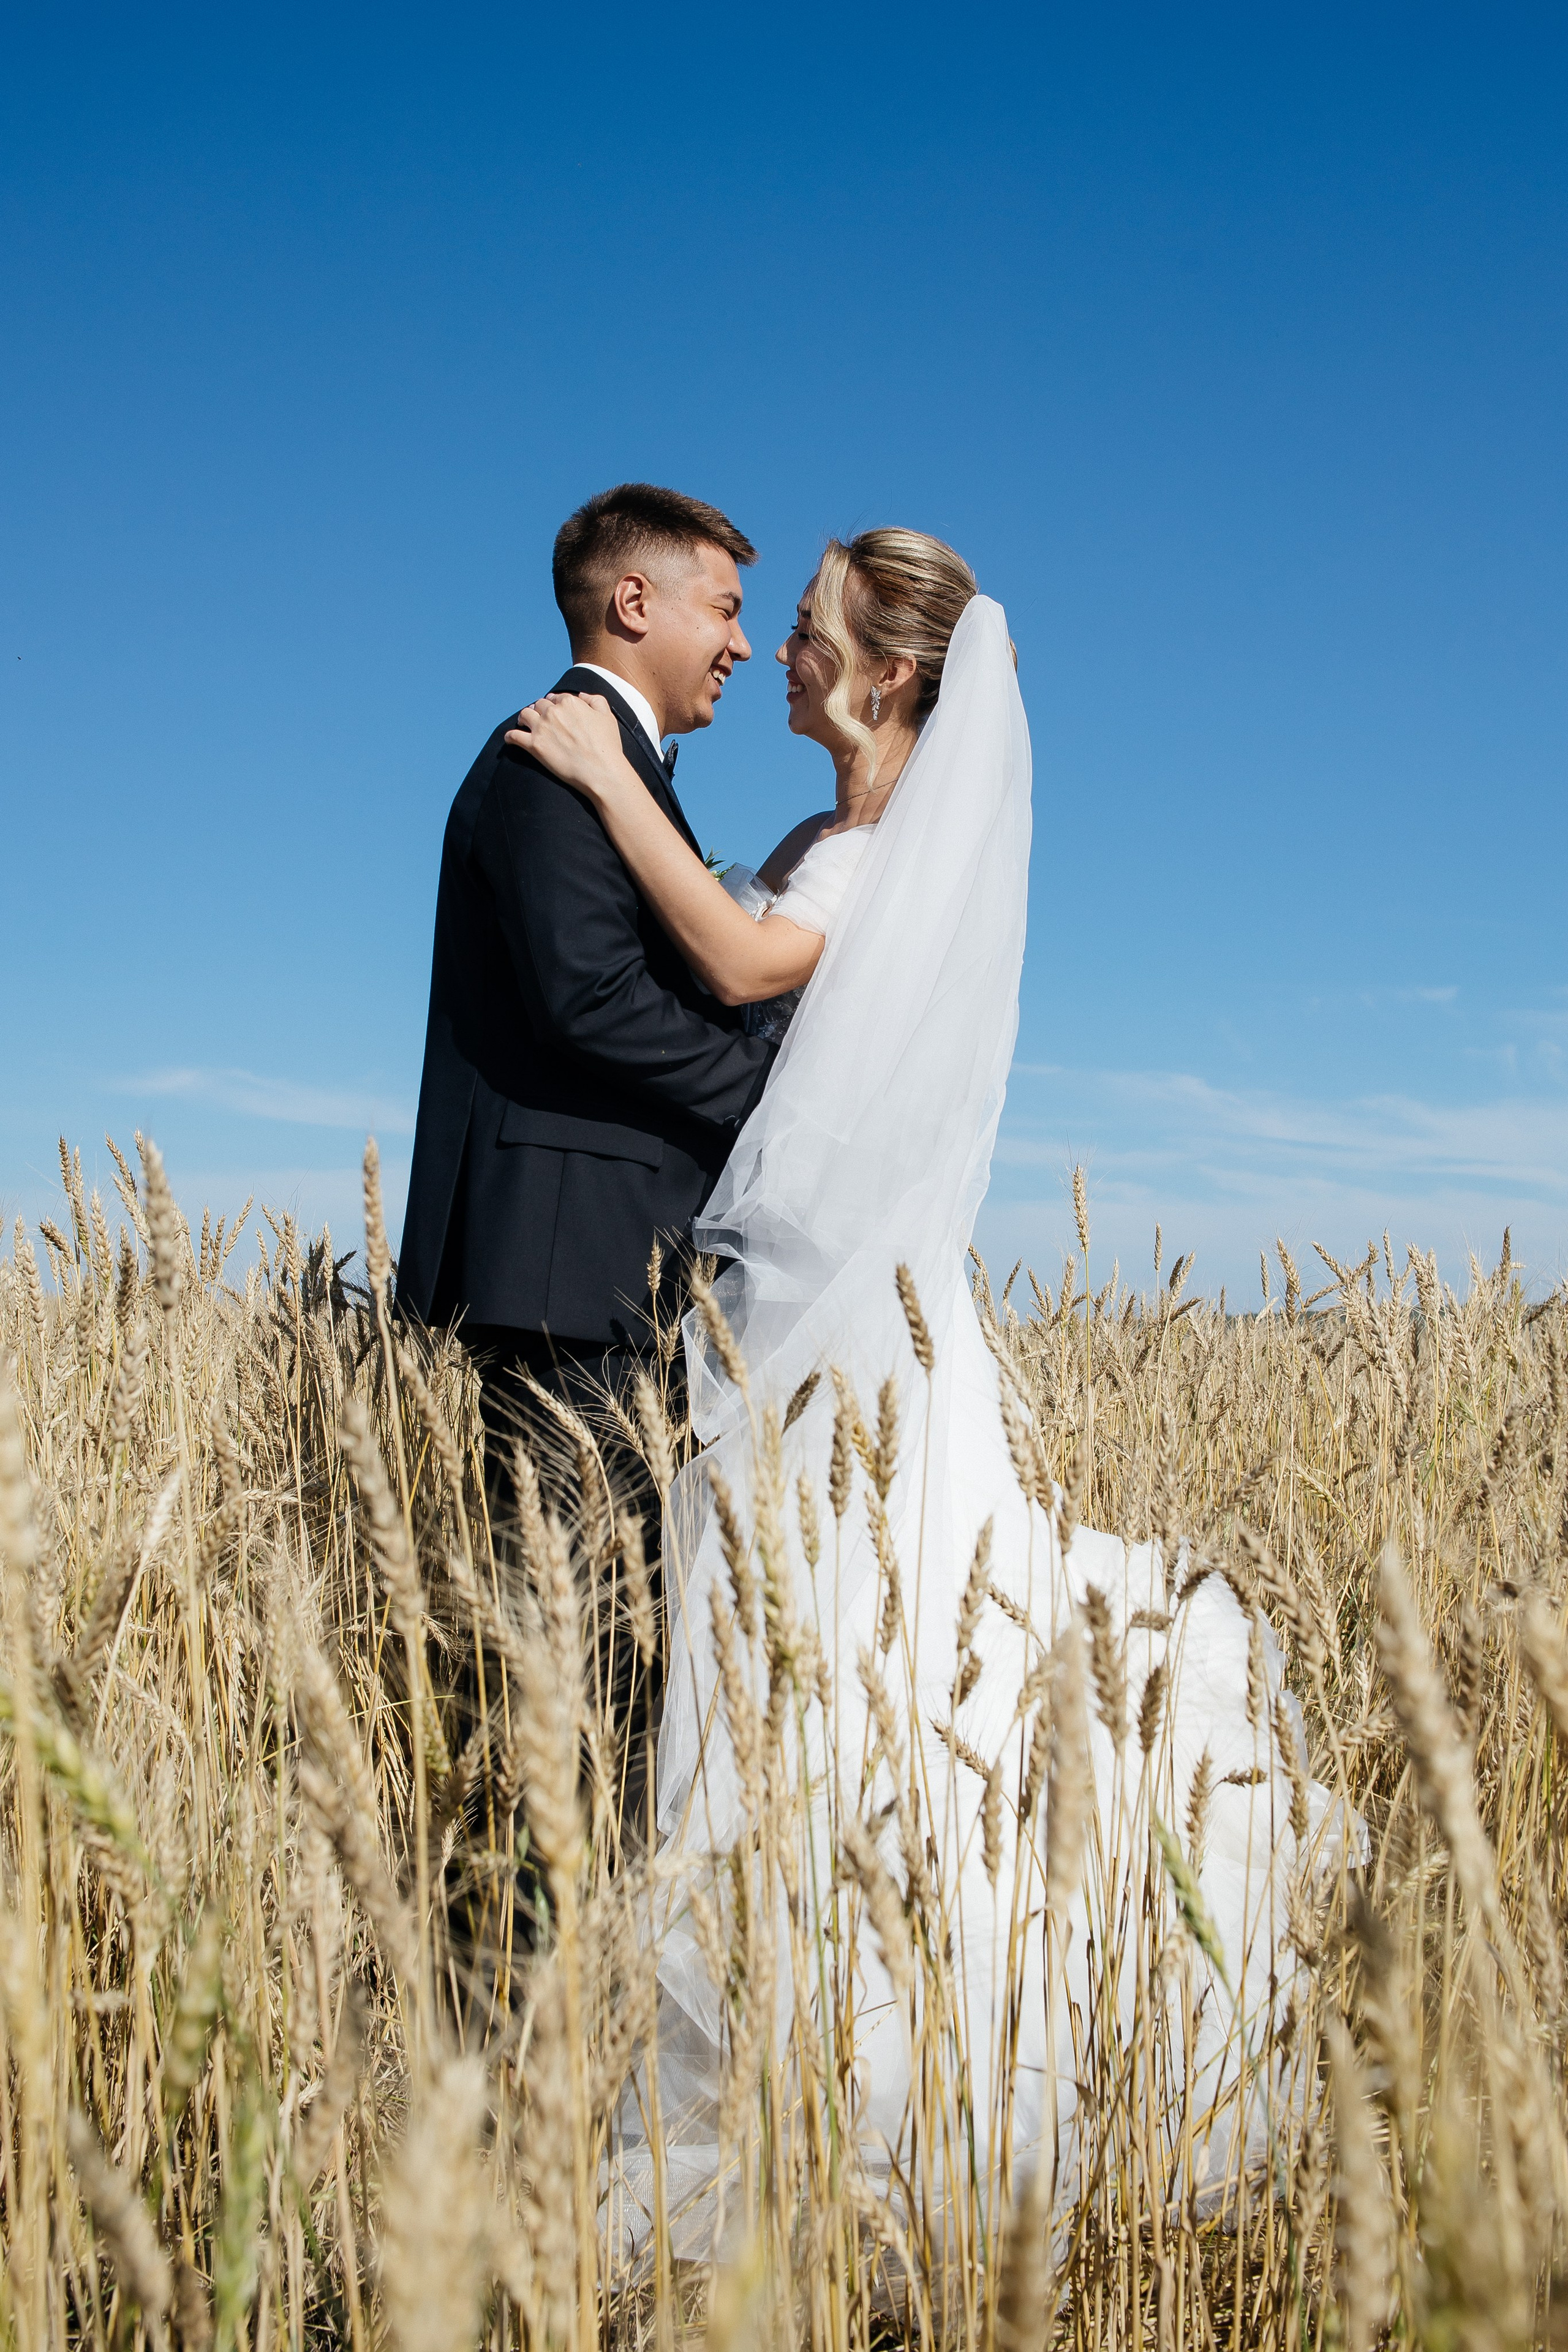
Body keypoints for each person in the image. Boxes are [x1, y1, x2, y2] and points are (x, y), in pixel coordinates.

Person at [511, 530, 1338, 2249]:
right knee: (797, 1651)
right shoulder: (838, 837)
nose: (784, 652)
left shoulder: (876, 852)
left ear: (887, 673)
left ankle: (875, 2050)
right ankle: (790, 2008)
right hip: (814, 1306)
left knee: (845, 1647)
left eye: (808, 629)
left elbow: (742, 971)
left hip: (845, 1327)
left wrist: (600, 776)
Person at [398, 483, 777, 1449]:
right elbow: (592, 998)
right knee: (579, 1552)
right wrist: (782, 1093)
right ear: (634, 602)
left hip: (610, 1270)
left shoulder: (611, 764)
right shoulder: (552, 752)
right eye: (725, 610)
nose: (742, 646)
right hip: (570, 1271)